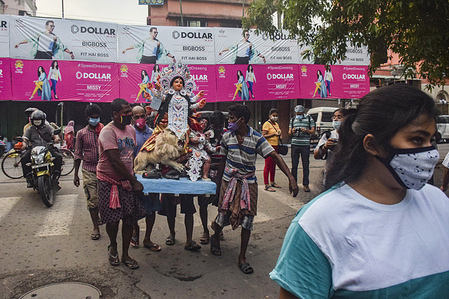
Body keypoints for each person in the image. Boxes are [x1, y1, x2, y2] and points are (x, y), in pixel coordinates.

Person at [270, 84, 449, 298]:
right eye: (417, 140)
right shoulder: (317, 223)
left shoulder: (439, 203)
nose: (431, 153)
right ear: (372, 145)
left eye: (432, 140)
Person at [210, 104, 299, 274]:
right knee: (223, 214)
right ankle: (215, 237)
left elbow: (275, 156)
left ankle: (242, 257)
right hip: (228, 182)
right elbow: (222, 160)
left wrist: (291, 177)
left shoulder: (257, 138)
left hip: (248, 183)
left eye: (231, 118)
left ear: (241, 120)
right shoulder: (227, 137)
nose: (229, 121)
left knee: (247, 220)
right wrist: (217, 184)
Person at [97, 98, 146, 269]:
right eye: (125, 113)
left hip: (127, 181)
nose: (129, 116)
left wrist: (134, 177)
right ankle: (113, 246)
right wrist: (134, 181)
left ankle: (125, 254)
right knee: (112, 221)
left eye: (129, 113)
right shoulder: (107, 132)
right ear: (115, 114)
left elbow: (130, 156)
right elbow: (115, 161)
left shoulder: (131, 130)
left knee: (128, 219)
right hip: (109, 182)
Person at [130, 105, 161, 252]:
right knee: (134, 207)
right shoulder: (129, 133)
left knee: (151, 209)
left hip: (151, 176)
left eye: (142, 115)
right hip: (134, 176)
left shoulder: (153, 134)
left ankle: (147, 238)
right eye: (136, 117)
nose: (139, 119)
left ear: (146, 116)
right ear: (132, 118)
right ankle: (135, 233)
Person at [73, 104, 104, 241]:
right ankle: (95, 227)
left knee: (104, 199)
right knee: (93, 199)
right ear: (87, 118)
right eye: (93, 118)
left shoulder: (104, 131)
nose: (95, 120)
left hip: (104, 169)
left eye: (97, 118)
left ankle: (102, 218)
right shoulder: (81, 134)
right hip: (89, 169)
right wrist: (75, 175)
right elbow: (78, 154)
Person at [197, 111, 227, 245]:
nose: (218, 128)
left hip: (224, 172)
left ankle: (217, 228)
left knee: (223, 203)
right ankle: (205, 230)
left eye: (220, 125)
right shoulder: (206, 134)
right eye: (216, 126)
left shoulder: (228, 134)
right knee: (203, 203)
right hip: (207, 172)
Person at [314, 108, 356, 188]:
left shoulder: (353, 136)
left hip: (348, 177)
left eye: (339, 117)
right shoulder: (328, 135)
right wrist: (325, 147)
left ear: (346, 119)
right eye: (334, 117)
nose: (335, 119)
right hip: (330, 176)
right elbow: (316, 155)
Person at [21, 110, 62, 187]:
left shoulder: (48, 127)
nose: (37, 122)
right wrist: (24, 144)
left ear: (42, 120)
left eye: (38, 120)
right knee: (23, 158)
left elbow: (54, 134)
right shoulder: (29, 129)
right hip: (33, 150)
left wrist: (56, 138)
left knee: (58, 157)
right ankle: (29, 177)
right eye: (35, 120)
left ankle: (56, 175)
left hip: (47, 148)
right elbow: (25, 139)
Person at [289, 105, 316, 192]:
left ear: (303, 113)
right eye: (297, 114)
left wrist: (306, 131)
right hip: (295, 144)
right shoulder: (293, 120)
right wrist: (292, 131)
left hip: (305, 145)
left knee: (305, 165)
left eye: (300, 114)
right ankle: (294, 184)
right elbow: (289, 133)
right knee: (294, 166)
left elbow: (313, 131)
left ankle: (306, 184)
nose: (298, 115)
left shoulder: (309, 119)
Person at [262, 108, 282, 192]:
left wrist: (280, 135)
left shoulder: (276, 124)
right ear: (270, 116)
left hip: (276, 146)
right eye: (273, 115)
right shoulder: (267, 124)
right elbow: (263, 135)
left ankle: (272, 182)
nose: (275, 117)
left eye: (276, 116)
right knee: (268, 165)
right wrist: (273, 134)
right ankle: (266, 185)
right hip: (269, 147)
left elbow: (279, 132)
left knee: (274, 165)